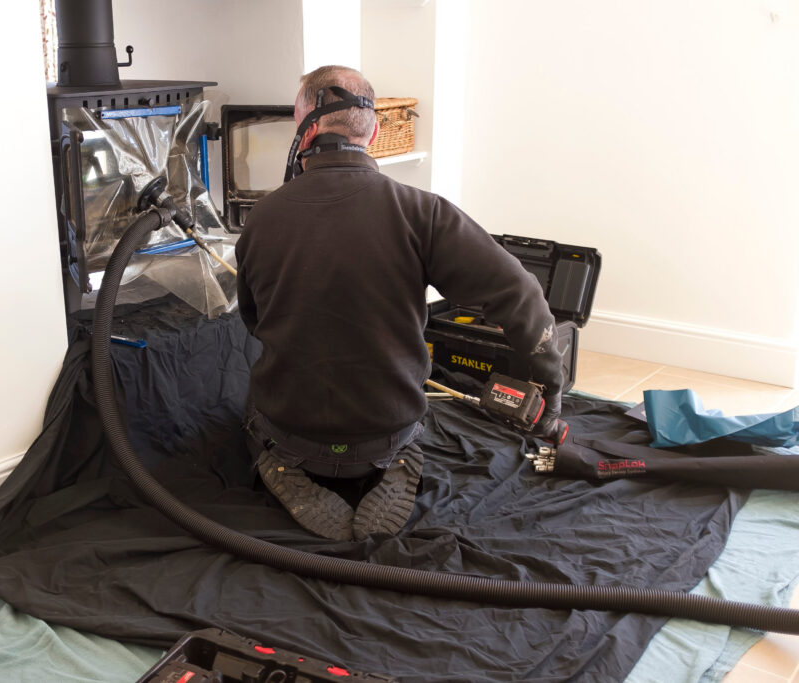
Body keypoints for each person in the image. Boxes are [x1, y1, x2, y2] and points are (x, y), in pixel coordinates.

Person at [235, 65, 564, 542]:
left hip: (292, 428)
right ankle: (397, 462)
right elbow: (520, 295)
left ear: (303, 126)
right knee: (403, 411)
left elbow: (252, 320)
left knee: (250, 402)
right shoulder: (423, 212)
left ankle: (281, 464)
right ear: (372, 132)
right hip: (386, 430)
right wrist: (550, 390)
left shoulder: (261, 218)